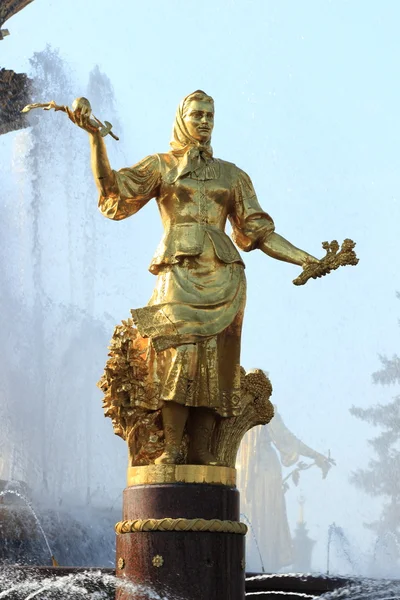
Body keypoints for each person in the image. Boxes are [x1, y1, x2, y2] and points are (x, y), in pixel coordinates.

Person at [74, 90, 319, 466]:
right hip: (179, 273)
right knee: (179, 355)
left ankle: (203, 451)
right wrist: (95, 138)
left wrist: (304, 258)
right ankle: (172, 446)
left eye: (210, 115)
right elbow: (114, 193)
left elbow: (259, 231)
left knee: (214, 362)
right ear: (181, 119)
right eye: (197, 115)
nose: (204, 121)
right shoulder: (162, 165)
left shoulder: (232, 175)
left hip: (224, 276)